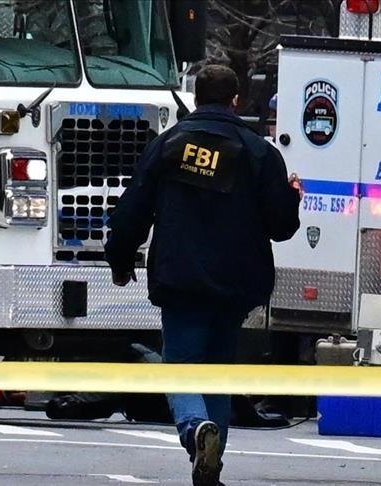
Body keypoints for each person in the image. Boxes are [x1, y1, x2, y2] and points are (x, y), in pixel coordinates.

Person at [104, 64, 302, 486]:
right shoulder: (259, 152)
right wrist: (292, 199)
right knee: (217, 372)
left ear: (195, 98)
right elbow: (281, 227)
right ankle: (211, 465)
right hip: (236, 284)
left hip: (181, 278)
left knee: (180, 367)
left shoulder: (167, 145)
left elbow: (132, 210)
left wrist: (120, 262)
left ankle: (196, 430)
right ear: (236, 100)